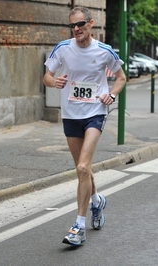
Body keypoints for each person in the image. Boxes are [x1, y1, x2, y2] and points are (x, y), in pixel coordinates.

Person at [43, 6, 126, 246]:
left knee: (82, 167)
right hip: (70, 115)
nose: (77, 29)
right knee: (83, 169)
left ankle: (78, 226)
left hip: (95, 113)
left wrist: (111, 95)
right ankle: (97, 201)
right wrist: (54, 82)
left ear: (90, 24)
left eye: (81, 24)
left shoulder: (104, 51)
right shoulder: (63, 49)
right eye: (73, 25)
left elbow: (121, 77)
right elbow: (47, 76)